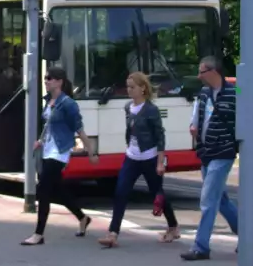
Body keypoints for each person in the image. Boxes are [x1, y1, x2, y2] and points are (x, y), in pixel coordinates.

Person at [98, 72, 180, 248]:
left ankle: (173, 227)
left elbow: (160, 136)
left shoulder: (151, 110)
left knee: (158, 193)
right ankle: (113, 233)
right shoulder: (128, 107)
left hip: (150, 157)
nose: (129, 90)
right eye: (127, 87)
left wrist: (160, 162)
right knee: (121, 192)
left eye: (132, 87)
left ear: (142, 88)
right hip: (132, 157)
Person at [20, 66, 98, 246]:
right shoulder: (48, 100)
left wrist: (90, 152)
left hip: (60, 152)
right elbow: (49, 125)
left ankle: (38, 234)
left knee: (44, 191)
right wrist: (41, 141)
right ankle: (82, 217)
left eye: (49, 78)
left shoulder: (68, 104)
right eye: (46, 78)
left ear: (59, 82)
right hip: (47, 149)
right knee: (58, 189)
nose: (46, 81)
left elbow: (79, 129)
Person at [181, 56, 238, 261]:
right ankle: (248, 234)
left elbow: (246, 109)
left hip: (223, 152)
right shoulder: (204, 93)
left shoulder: (234, 91)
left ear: (213, 71)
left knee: (208, 200)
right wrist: (193, 127)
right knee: (220, 200)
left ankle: (201, 247)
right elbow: (196, 116)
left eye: (201, 71)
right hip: (206, 152)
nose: (198, 76)